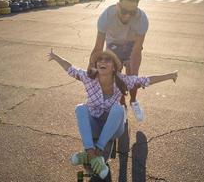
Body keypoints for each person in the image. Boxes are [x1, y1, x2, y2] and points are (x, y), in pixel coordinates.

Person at [47, 49, 178, 179]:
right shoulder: (89, 77)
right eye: (100, 59)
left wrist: (170, 75)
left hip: (114, 127)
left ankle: (97, 149)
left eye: (107, 60)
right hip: (95, 125)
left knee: (118, 109)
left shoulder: (122, 80)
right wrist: (55, 56)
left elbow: (146, 80)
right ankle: (90, 152)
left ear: (114, 67)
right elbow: (70, 68)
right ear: (96, 64)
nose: (102, 61)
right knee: (80, 108)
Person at [89, 0, 149, 121]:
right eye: (124, 11)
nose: (127, 16)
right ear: (118, 5)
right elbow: (98, 47)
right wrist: (91, 67)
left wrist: (132, 75)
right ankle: (122, 105)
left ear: (137, 8)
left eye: (132, 12)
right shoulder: (106, 17)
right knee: (116, 77)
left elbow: (137, 50)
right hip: (113, 46)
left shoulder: (142, 19)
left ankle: (133, 101)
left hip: (132, 46)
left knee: (133, 77)